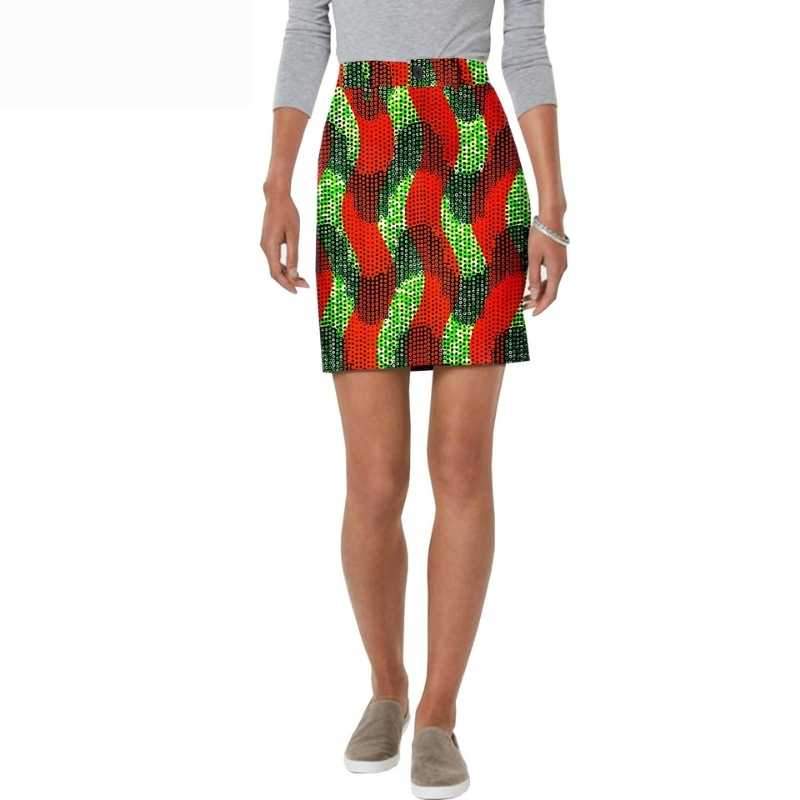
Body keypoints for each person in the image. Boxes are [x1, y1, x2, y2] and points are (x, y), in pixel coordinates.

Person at [261, 1, 568, 796]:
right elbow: (308, 31)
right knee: (374, 480)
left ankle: (438, 712)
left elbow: (525, 47)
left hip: (473, 163)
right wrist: (276, 185)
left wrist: (554, 211)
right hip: (360, 158)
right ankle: (387, 687)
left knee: (460, 466)